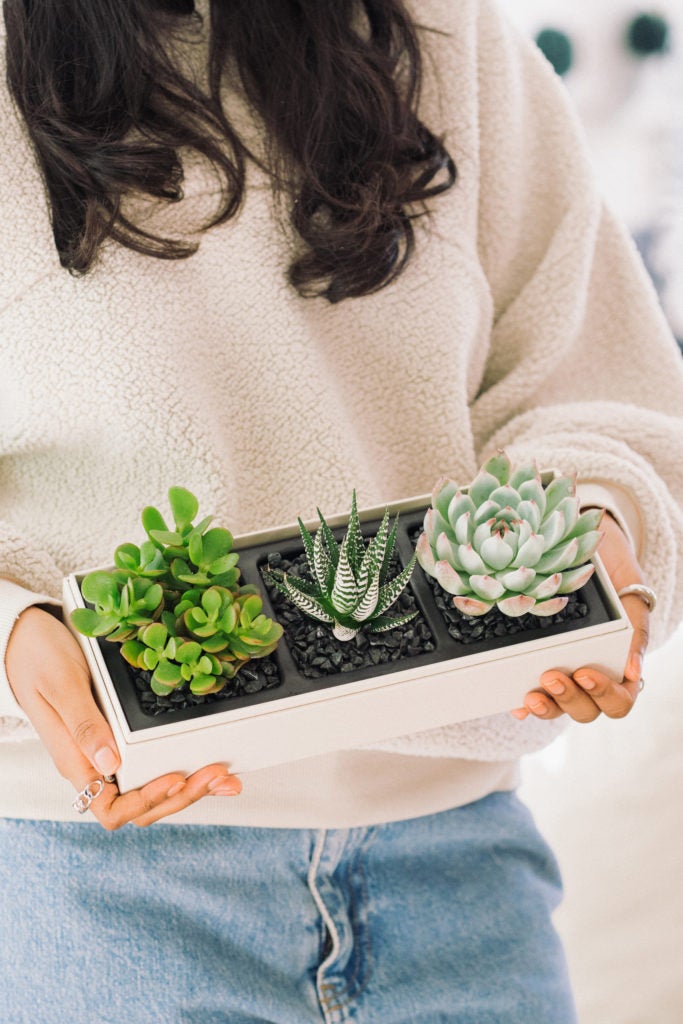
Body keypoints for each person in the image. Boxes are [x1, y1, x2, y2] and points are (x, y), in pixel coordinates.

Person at [1, 1, 682, 1021]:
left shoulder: (444, 35)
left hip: (460, 869)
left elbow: (586, 374)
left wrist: (594, 523)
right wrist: (14, 631)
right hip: (88, 883)